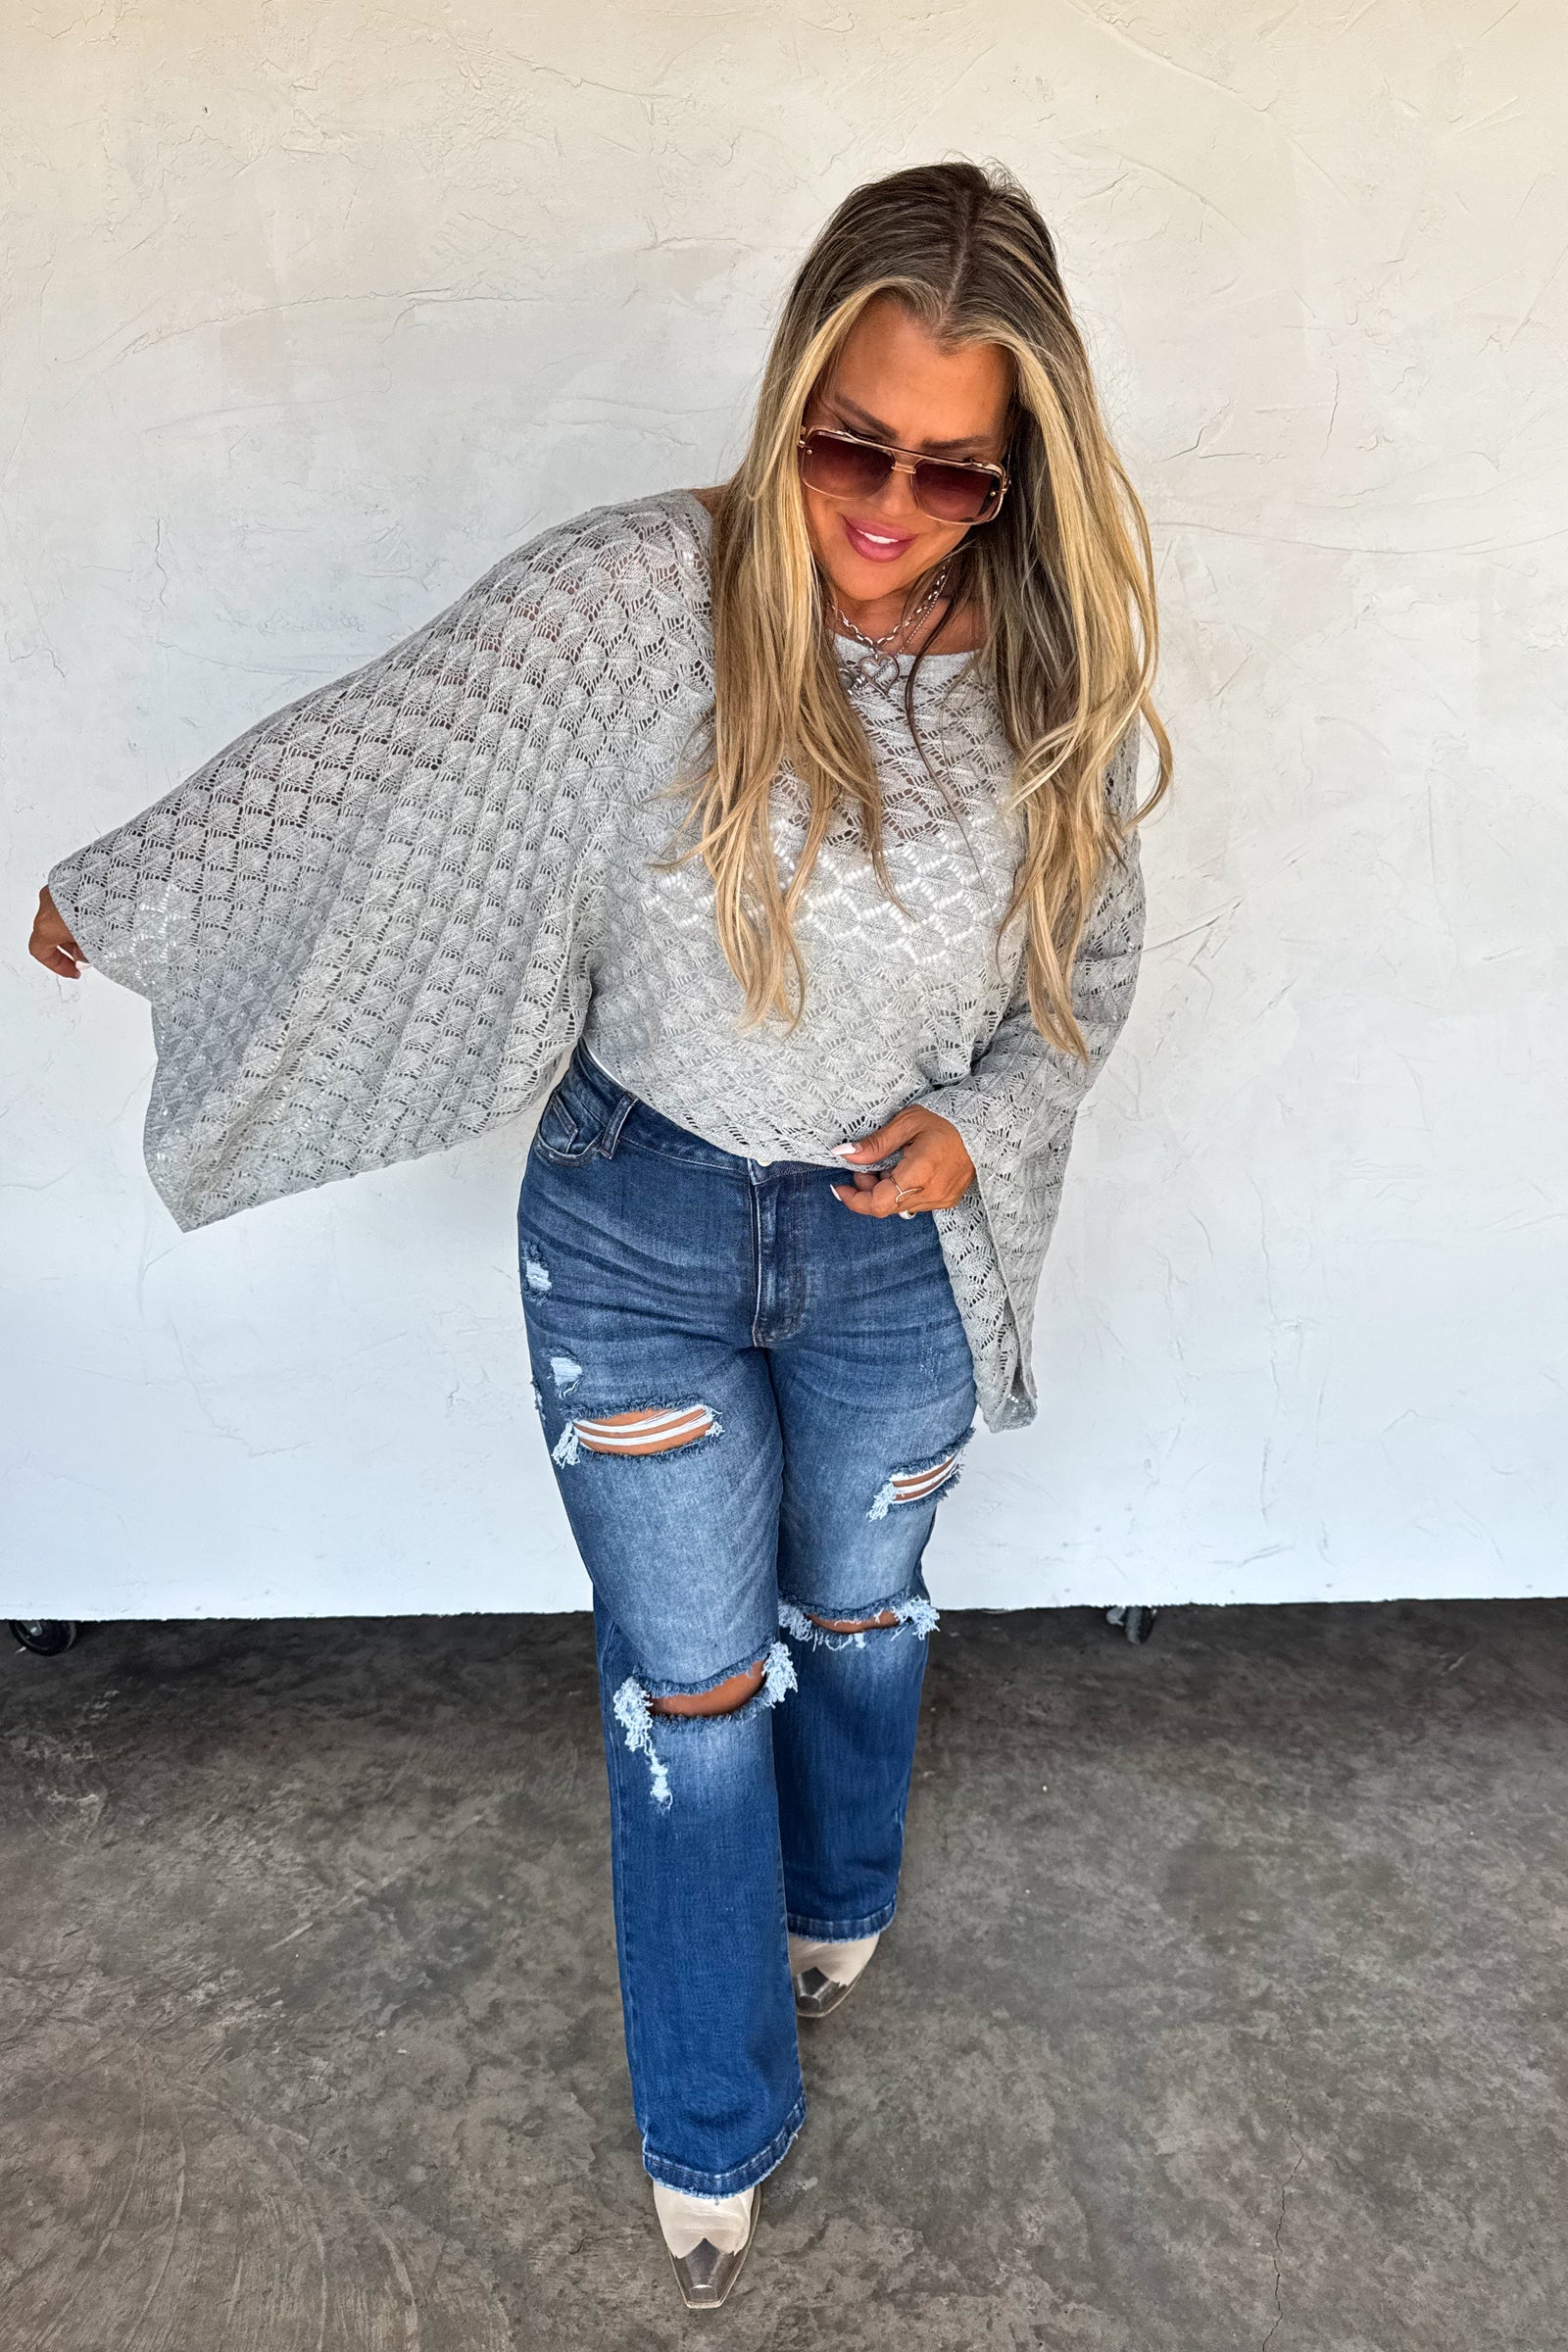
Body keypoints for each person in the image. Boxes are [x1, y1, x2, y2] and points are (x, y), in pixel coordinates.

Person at [30, 159, 1170, 2309]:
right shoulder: (646, 598)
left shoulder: (1046, 676)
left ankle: (838, 1893)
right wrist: (139, 887)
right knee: (691, 1686)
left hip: (894, 1255)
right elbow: (384, 744)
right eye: (848, 443)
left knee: (860, 1613)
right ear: (790, 395)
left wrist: (985, 1124)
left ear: (1019, 472)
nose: (887, 506)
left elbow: (1082, 982)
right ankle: (709, 2122)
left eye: (950, 470)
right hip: (633, 1230)